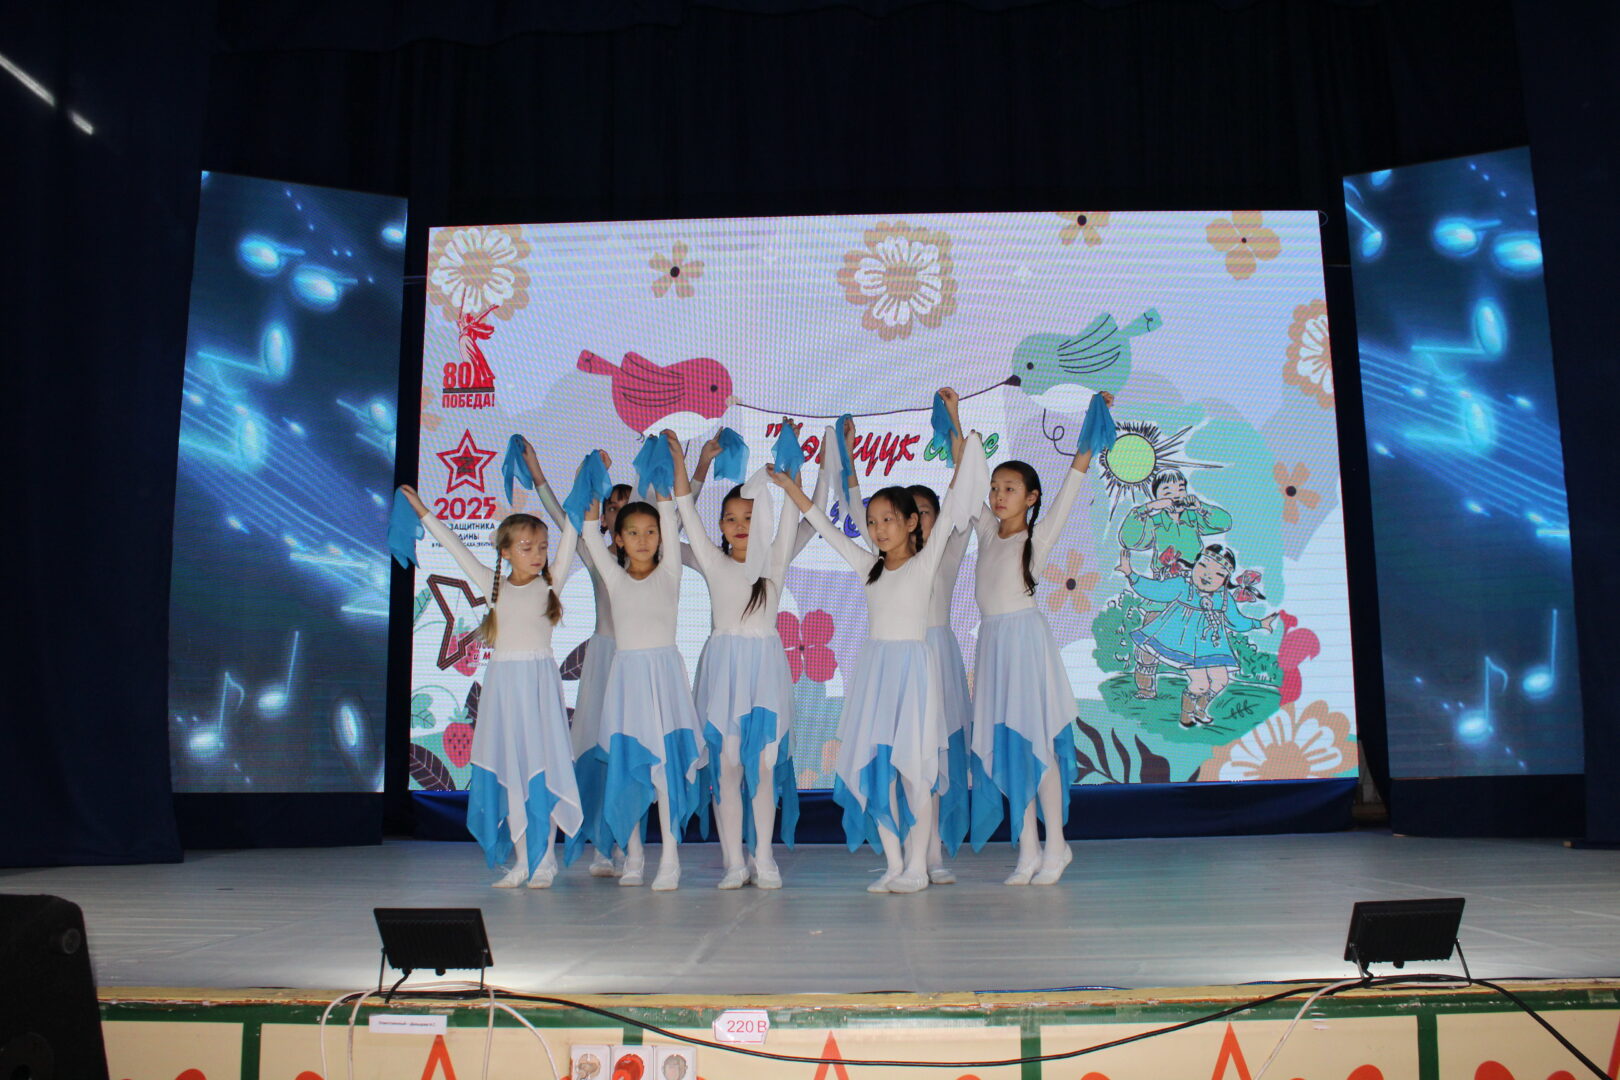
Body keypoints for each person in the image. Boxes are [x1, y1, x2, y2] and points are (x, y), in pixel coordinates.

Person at [771, 410, 987, 894]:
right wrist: (791, 489)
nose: (880, 528)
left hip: (914, 672)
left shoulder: (926, 562)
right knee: (878, 770)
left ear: (911, 523)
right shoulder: (867, 565)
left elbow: (955, 501)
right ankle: (894, 864)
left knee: (917, 772)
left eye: (889, 520)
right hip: (876, 674)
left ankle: (918, 866)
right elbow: (824, 525)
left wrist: (968, 448)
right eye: (872, 521)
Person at [401, 469, 580, 888]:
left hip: (539, 686)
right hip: (503, 687)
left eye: (542, 547)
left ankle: (545, 860)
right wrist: (423, 512)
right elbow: (454, 546)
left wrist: (582, 486)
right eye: (526, 547)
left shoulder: (551, 582)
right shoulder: (493, 584)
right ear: (505, 552)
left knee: (542, 770)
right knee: (511, 771)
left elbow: (571, 533)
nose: (537, 554)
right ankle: (522, 861)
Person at [966, 390, 1113, 886]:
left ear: (1030, 498)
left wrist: (1091, 427)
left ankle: (1056, 845)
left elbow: (1073, 482)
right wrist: (954, 420)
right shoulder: (987, 532)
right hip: (993, 645)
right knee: (1009, 747)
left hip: (1026, 643)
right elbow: (965, 472)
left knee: (1038, 743)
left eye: (1010, 488)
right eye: (995, 487)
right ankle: (1027, 848)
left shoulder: (1038, 536)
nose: (998, 495)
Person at [838, 408, 973, 882]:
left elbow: (960, 496)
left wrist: (956, 429)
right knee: (893, 760)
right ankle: (907, 858)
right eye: (882, 520)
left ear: (922, 519)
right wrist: (848, 459)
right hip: (891, 663)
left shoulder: (946, 549)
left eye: (921, 512)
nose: (887, 526)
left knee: (929, 758)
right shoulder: (879, 561)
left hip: (932, 657)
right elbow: (856, 513)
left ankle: (929, 855)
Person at [672, 428, 803, 889]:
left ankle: (763, 856)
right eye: (730, 518)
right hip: (723, 674)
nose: (740, 524)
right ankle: (734, 861)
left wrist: (793, 472)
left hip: (765, 672)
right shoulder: (712, 559)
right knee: (726, 766)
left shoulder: (775, 559)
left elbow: (794, 513)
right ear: (722, 526)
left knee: (763, 766)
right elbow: (684, 510)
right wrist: (689, 467)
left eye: (749, 515)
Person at [582, 431, 707, 890]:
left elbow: (672, 511)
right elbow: (588, 529)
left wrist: (677, 463)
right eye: (631, 532)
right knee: (629, 768)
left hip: (665, 679)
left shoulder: (670, 570)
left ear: (661, 537)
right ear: (618, 538)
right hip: (627, 681)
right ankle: (633, 854)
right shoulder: (613, 577)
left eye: (650, 532)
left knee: (666, 773)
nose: (642, 539)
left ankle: (670, 857)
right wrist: (592, 475)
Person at [1116, 543, 1276, 727]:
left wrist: (1259, 624)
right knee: (1201, 684)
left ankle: (1200, 708)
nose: (1208, 575)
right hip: (1185, 645)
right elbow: (1156, 590)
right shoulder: (1184, 585)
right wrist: (1130, 574)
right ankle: (1186, 714)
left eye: (1219, 574)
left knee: (1221, 680)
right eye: (1203, 565)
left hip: (1212, 646)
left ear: (1226, 580)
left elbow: (1237, 621)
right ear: (1194, 564)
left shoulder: (1223, 598)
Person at [1117, 471, 1232, 699]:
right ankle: (1146, 688)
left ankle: (1203, 687)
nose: (1176, 495)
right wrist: (1148, 509)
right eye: (1167, 491)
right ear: (1157, 496)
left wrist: (1200, 507)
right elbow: (1128, 540)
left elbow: (1225, 523)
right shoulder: (1155, 522)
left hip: (1193, 592)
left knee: (1200, 639)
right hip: (1165, 590)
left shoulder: (1193, 518)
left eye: (1180, 489)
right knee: (1148, 639)